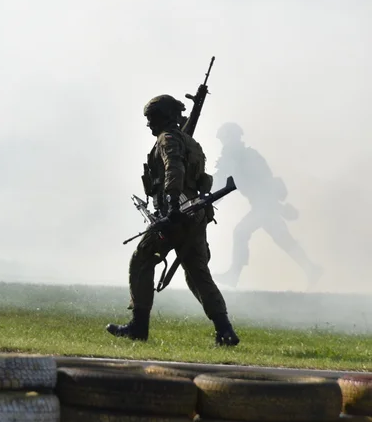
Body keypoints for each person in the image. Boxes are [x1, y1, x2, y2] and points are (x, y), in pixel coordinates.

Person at [107, 91, 240, 346]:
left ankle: (138, 327)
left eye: (152, 117)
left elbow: (174, 168)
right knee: (198, 275)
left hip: (176, 216)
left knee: (142, 259)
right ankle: (225, 330)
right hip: (195, 217)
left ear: (164, 117)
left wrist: (171, 205)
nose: (149, 123)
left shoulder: (167, 139)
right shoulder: (187, 141)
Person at [211, 122, 322, 289]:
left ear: (232, 138)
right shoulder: (239, 157)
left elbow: (263, 182)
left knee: (241, 232)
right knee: (282, 239)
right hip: (263, 204)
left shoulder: (246, 157)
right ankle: (311, 269)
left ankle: (234, 274)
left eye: (225, 140)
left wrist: (275, 206)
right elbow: (222, 182)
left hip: (264, 204)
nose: (224, 145)